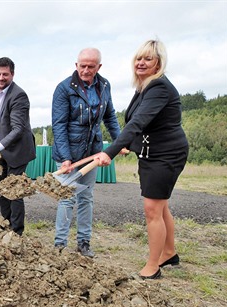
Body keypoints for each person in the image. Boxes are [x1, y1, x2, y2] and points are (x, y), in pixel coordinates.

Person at [95, 40, 188, 279]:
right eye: (138, 58)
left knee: (152, 209)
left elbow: (139, 122)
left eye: (147, 59)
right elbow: (135, 124)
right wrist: (126, 144)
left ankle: (153, 265)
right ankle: (168, 252)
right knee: (161, 205)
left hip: (166, 154)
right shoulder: (144, 87)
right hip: (151, 153)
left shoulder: (159, 87)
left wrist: (110, 151)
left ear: (158, 63)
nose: (141, 63)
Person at [51, 48, 121, 257]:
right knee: (67, 198)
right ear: (76, 65)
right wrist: (65, 158)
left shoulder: (105, 85)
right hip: (69, 153)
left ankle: (84, 243)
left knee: (86, 197)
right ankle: (60, 245)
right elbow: (59, 125)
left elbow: (110, 116)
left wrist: (120, 141)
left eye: (91, 66)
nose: (86, 70)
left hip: (92, 151)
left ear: (99, 67)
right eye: (83, 65)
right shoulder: (64, 89)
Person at [0, 57, 36, 236]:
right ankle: (5, 225)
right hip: (1, 149)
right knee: (2, 189)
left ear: (12, 75)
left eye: (5, 74)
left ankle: (16, 232)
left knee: (14, 191)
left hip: (17, 151)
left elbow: (18, 129)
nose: (1, 78)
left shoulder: (19, 96)